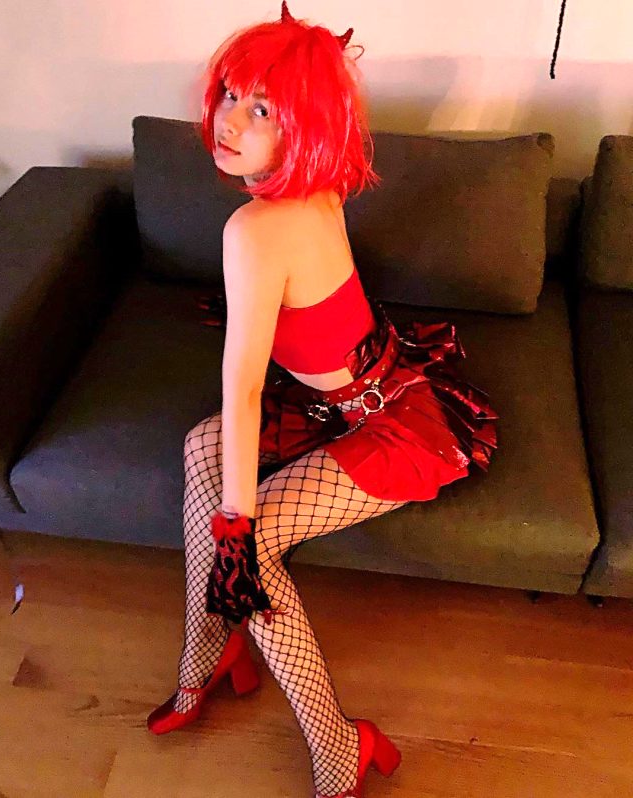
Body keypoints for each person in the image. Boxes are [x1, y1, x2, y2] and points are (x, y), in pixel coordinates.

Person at [147, 4, 500, 797]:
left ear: (304, 129)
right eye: (231, 94)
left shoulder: (255, 229)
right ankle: (206, 655)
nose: (229, 121)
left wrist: (236, 529)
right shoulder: (318, 184)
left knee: (254, 549)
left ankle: (341, 740)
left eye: (263, 109)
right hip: (333, 401)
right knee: (201, 446)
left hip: (393, 421)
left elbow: (244, 387)